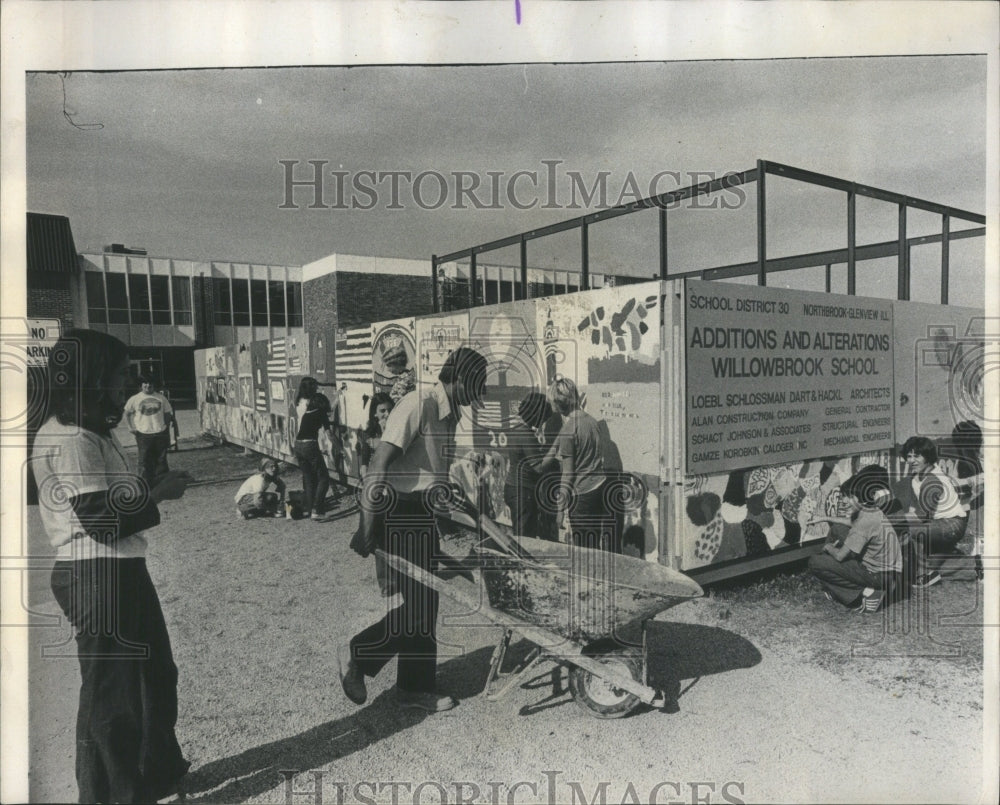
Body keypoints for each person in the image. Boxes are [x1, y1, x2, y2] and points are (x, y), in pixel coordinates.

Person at [32, 329, 191, 803]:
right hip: (96, 573)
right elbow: (100, 520)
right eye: (119, 374)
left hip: (117, 569)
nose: (126, 385)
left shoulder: (91, 431)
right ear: (92, 375)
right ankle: (112, 795)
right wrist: (158, 492)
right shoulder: (71, 437)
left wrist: (148, 485)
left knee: (153, 677)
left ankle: (153, 776)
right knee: (113, 695)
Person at [341, 346, 488, 713]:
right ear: (460, 378)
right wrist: (367, 525)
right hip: (398, 513)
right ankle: (360, 654)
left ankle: (413, 687)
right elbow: (378, 465)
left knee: (427, 601)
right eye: (478, 383)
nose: (480, 392)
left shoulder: (449, 416)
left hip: (419, 513)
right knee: (420, 607)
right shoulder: (418, 404)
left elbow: (428, 473)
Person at [807, 465, 903, 613]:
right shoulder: (871, 510)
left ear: (859, 497)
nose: (844, 501)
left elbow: (839, 556)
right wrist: (823, 517)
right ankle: (843, 587)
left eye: (849, 497)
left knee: (815, 562)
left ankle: (864, 592)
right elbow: (850, 523)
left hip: (879, 575)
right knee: (837, 529)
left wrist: (828, 548)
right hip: (890, 573)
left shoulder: (864, 522)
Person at [540, 377, 613, 551]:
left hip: (581, 497)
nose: (552, 407)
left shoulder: (568, 430)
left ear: (559, 404)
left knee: (583, 549)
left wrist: (560, 510)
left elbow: (567, 474)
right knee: (593, 544)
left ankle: (587, 577)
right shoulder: (592, 422)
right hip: (598, 488)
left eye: (553, 403)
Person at [897, 435, 968, 588]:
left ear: (928, 457)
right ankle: (977, 565)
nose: (912, 460)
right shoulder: (917, 477)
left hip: (951, 525)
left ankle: (924, 574)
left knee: (911, 529)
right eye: (909, 456)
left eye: (917, 456)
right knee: (939, 568)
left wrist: (893, 519)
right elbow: (914, 506)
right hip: (938, 523)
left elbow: (921, 516)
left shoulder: (932, 479)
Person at [502, 391, 556, 540]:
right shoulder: (526, 434)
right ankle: (521, 563)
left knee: (521, 533)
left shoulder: (516, 429)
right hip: (522, 492)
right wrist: (555, 448)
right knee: (525, 539)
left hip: (514, 488)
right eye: (542, 418)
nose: (542, 423)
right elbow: (538, 467)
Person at [124, 374, 176, 487]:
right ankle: (144, 484)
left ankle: (162, 483)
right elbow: (127, 413)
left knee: (161, 459)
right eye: (145, 383)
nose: (148, 385)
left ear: (154, 385)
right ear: (141, 385)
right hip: (143, 434)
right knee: (144, 460)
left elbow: (167, 413)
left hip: (160, 433)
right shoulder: (135, 399)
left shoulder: (161, 398)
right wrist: (130, 427)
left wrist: (165, 427)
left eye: (150, 383)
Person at [293, 392, 334, 519]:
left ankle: (310, 510)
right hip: (310, 446)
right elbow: (329, 433)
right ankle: (318, 510)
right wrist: (338, 447)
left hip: (298, 446)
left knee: (309, 478)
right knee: (323, 478)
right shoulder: (320, 413)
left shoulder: (307, 414)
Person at [359, 392, 394, 479]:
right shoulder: (370, 430)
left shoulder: (397, 428)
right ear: (375, 413)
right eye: (383, 411)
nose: (388, 414)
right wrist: (364, 468)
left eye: (390, 410)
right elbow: (365, 453)